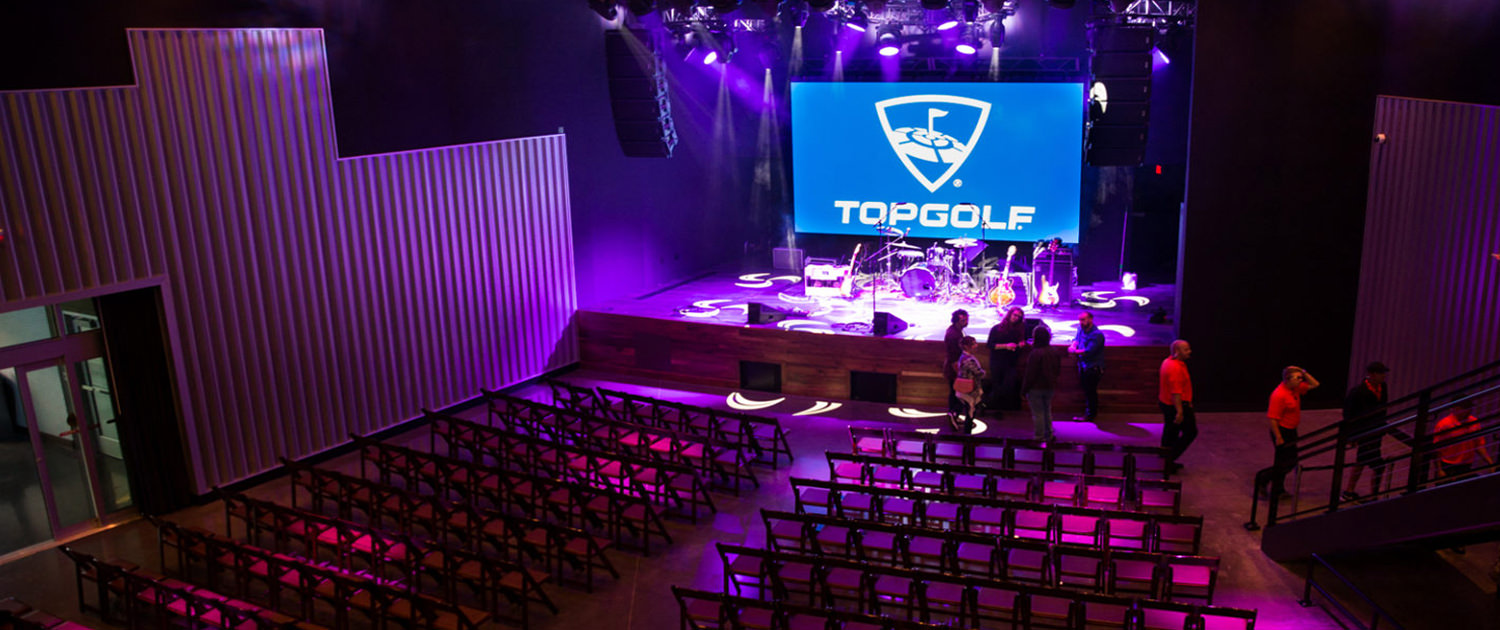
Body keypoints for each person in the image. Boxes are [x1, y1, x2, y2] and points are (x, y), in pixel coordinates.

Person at [1256, 366, 1320, 499]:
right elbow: (1273, 418)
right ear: (1287, 379)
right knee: (1286, 462)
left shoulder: (1295, 389)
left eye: (1301, 378)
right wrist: (1278, 437)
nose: (1301, 380)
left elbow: (1315, 384)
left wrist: (1303, 372)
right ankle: (1264, 478)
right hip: (1282, 431)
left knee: (1287, 461)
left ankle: (1278, 489)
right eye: (1298, 378)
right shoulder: (1279, 395)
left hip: (1291, 430)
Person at [1340, 361, 1390, 501]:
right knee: (1375, 464)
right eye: (1381, 373)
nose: (1383, 376)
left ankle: (1351, 491)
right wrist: (1351, 436)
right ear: (1372, 374)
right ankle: (1370, 494)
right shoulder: (1358, 392)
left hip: (1377, 430)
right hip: (1365, 432)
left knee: (1362, 461)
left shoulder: (1383, 387)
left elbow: (1383, 407)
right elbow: (1349, 414)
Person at [1157, 340, 1196, 474]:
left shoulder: (1168, 362)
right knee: (1190, 432)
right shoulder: (1175, 368)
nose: (1189, 352)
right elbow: (1176, 393)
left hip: (1167, 403)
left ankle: (1165, 459)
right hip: (1175, 406)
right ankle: (1168, 460)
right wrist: (1180, 412)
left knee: (1170, 433)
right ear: (1177, 351)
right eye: (1186, 350)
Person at [1433, 399, 1493, 479]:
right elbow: (1437, 450)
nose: (1468, 410)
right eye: (1465, 408)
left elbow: (1478, 444)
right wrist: (1439, 470)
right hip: (1448, 465)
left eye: (1469, 407)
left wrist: (1490, 462)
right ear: (1455, 409)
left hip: (1466, 464)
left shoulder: (1473, 422)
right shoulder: (1444, 424)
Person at [1021, 325, 1062, 442]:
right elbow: (1057, 370)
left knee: (1038, 413)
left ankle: (1039, 437)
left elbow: (1030, 374)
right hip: (1049, 386)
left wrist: (1024, 390)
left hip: (1036, 387)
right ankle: (1049, 435)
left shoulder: (1035, 353)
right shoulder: (1054, 351)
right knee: (1047, 410)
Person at [985, 306, 1027, 413]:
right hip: (997, 361)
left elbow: (1019, 345)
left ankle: (1000, 408)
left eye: (1019, 317)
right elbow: (990, 345)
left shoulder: (1019, 330)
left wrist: (1020, 345)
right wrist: (1005, 346)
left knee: (1007, 385)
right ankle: (992, 408)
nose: (1016, 318)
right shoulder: (997, 329)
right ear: (1009, 314)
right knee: (997, 385)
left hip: (1011, 362)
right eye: (1015, 315)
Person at [1068, 311, 1105, 421]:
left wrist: (1074, 351)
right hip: (1084, 366)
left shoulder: (1097, 335)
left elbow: (1088, 351)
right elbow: (1076, 339)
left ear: (1090, 319)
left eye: (1083, 320)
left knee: (1091, 391)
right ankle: (1089, 413)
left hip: (1093, 368)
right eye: (1080, 320)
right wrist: (1073, 345)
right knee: (1087, 390)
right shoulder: (1081, 329)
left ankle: (1091, 415)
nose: (1081, 322)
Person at [943, 309, 969, 428]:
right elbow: (954, 356)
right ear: (957, 320)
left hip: (954, 366)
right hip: (954, 368)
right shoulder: (954, 334)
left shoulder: (956, 331)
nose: (966, 322)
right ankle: (953, 416)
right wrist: (959, 373)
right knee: (956, 394)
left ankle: (954, 415)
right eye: (964, 320)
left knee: (956, 393)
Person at [954, 336, 986, 432]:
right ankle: (967, 434)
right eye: (974, 344)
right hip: (970, 390)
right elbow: (978, 373)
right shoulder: (969, 360)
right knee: (970, 411)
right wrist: (983, 372)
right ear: (967, 346)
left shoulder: (964, 357)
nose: (976, 346)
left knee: (970, 410)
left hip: (965, 388)